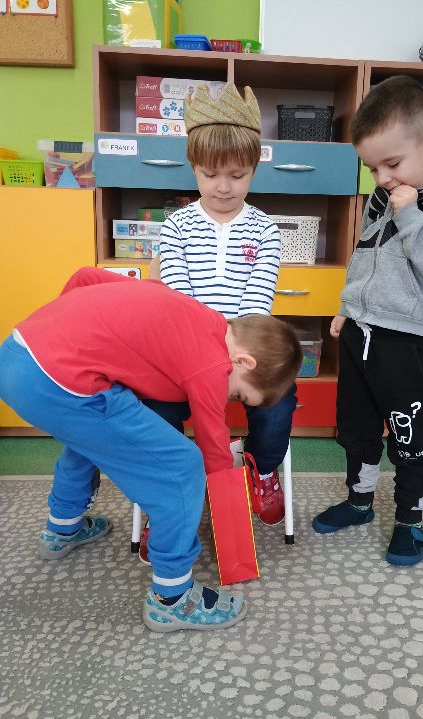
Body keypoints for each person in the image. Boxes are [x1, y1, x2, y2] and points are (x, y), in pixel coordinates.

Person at [0, 267, 302, 632]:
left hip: (18, 353)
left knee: (89, 441)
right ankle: (172, 598)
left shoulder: (192, 311)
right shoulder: (214, 363)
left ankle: (61, 530)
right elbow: (212, 445)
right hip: (62, 380)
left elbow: (85, 278)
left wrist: (69, 332)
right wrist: (226, 501)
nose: (230, 398)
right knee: (183, 465)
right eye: (239, 394)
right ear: (243, 362)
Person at [312, 76, 423, 566]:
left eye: (392, 164)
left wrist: (411, 214)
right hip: (360, 330)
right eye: (372, 167)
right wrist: (347, 306)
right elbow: (365, 255)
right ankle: (359, 501)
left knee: (410, 436)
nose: (381, 178)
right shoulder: (385, 194)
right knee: (356, 425)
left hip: (407, 340)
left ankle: (410, 519)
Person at [143, 81, 295, 546]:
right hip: (184, 355)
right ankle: (167, 494)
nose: (224, 186)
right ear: (194, 168)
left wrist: (229, 357)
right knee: (154, 408)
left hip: (243, 351)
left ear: (254, 170)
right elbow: (178, 301)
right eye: (210, 174)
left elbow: (257, 304)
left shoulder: (265, 229)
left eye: (237, 175)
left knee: (280, 399)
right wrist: (204, 357)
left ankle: (261, 470)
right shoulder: (176, 225)